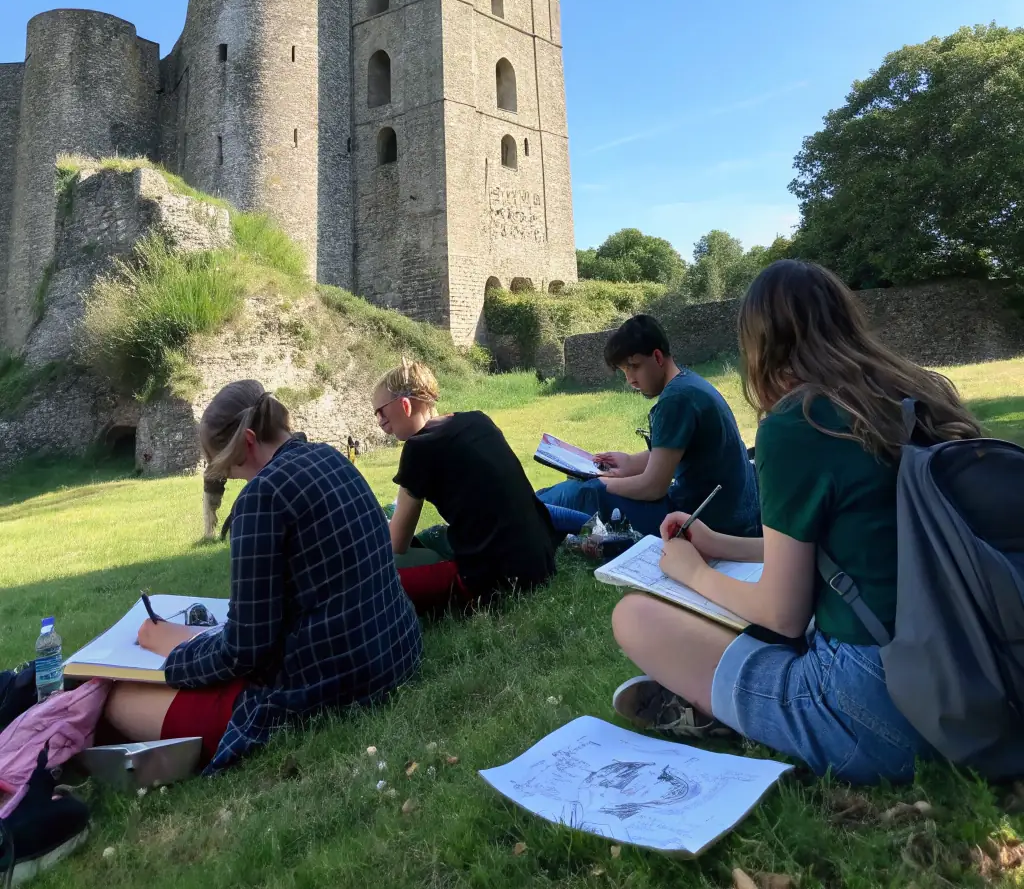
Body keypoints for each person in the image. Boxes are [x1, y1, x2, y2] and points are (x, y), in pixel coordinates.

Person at [610, 260, 981, 785]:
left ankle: (737, 714)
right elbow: (848, 540)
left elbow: (782, 614)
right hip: (971, 662)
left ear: (759, 344)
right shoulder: (920, 394)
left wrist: (692, 572)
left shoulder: (798, 421)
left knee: (635, 618)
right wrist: (719, 544)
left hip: (884, 707)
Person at [103, 382, 422, 771]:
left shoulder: (262, 497)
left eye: (230, 468)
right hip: (394, 652)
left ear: (249, 442)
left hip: (331, 687)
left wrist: (175, 651)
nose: (235, 479)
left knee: (116, 699)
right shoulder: (331, 457)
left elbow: (243, 650)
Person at [537, 315, 760, 538]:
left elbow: (653, 487)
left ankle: (524, 512)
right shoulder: (689, 383)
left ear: (657, 356)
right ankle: (529, 505)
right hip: (735, 515)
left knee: (585, 494)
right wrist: (629, 462)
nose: (630, 380)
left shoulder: (676, 399)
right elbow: (673, 451)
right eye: (624, 371)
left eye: (634, 367)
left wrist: (602, 483)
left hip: (709, 522)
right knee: (579, 490)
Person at [374, 360, 558, 614]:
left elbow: (396, 544)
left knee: (372, 578)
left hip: (495, 580)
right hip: (540, 559)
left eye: (381, 411)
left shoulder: (419, 448)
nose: (380, 421)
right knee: (434, 536)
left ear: (405, 405)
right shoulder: (477, 420)